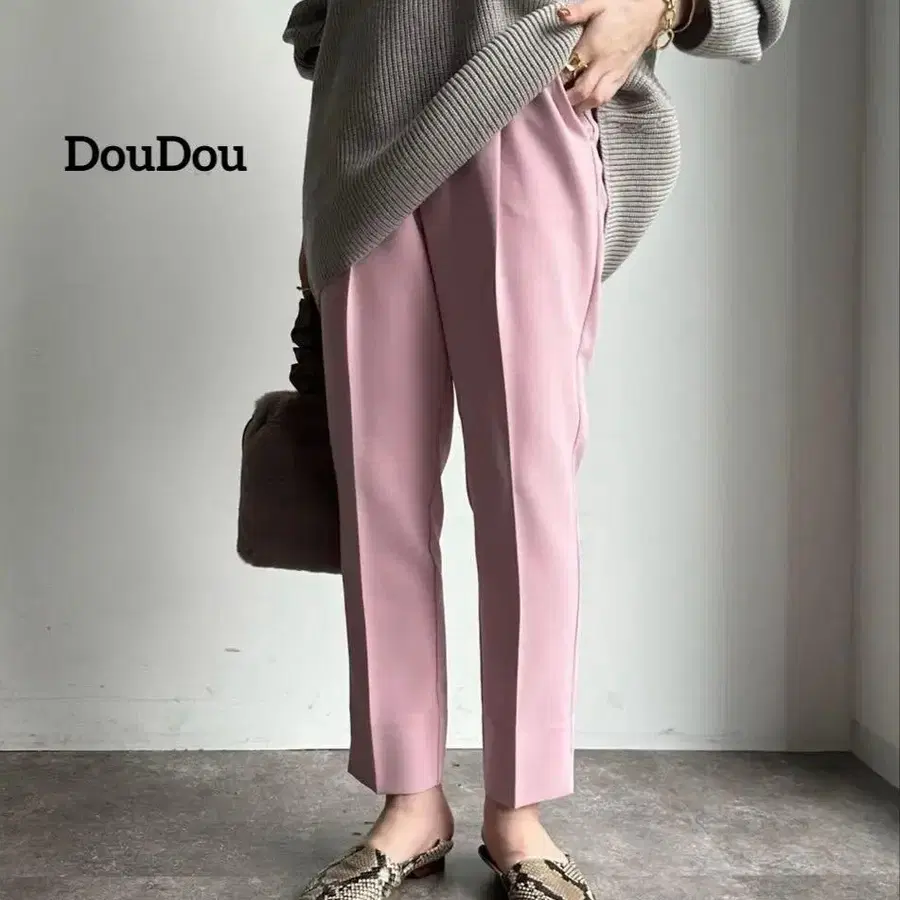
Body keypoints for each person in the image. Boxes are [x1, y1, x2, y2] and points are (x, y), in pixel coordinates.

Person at [283, 1, 790, 898]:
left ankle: (518, 810)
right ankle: (409, 802)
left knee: (527, 487)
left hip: (528, 89)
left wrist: (660, 6)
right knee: (378, 489)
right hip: (364, 133)